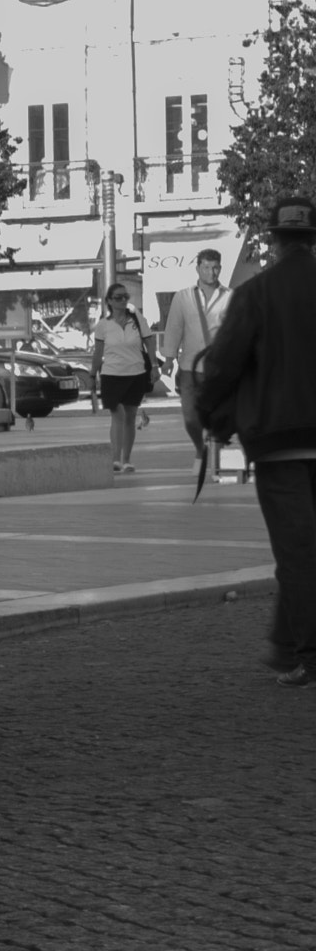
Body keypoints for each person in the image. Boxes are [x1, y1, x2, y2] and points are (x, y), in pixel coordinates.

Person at [196, 196, 316, 687]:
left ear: (273, 239)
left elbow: (223, 365)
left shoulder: (255, 294)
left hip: (279, 441)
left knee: (297, 551)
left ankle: (304, 651)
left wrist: (210, 417)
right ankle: (286, 646)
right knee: (306, 550)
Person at [158, 248, 231, 468]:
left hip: (217, 368)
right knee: (191, 418)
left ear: (220, 268)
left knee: (216, 417)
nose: (211, 272)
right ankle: (200, 450)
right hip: (189, 366)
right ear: (198, 268)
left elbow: (234, 331)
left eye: (215, 267)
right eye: (206, 267)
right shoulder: (183, 296)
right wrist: (169, 358)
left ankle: (216, 463)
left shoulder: (230, 296)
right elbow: (174, 327)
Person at [89, 284, 155, 473]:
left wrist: (155, 366)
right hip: (111, 374)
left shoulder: (137, 319)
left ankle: (126, 459)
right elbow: (98, 352)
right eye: (118, 297)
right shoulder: (103, 325)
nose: (123, 300)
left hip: (136, 373)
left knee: (131, 416)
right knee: (117, 413)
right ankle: (115, 458)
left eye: (125, 297)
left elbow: (149, 341)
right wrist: (92, 374)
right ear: (109, 301)